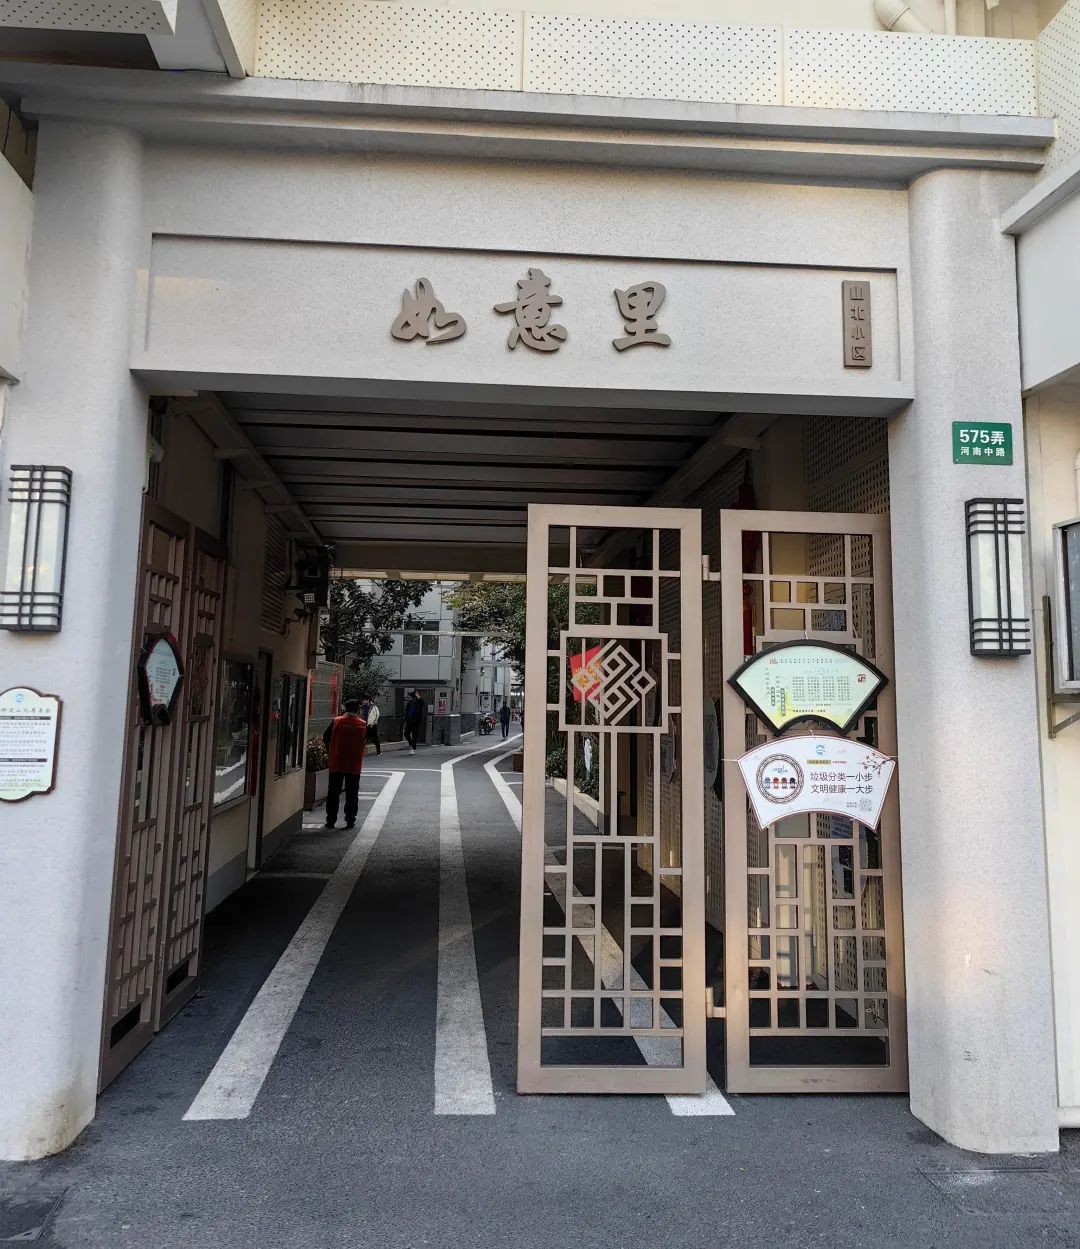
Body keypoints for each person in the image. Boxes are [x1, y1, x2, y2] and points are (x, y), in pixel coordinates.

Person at [322, 698, 368, 829]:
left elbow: (325, 737)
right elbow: (364, 740)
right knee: (352, 793)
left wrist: (331, 750)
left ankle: (331, 820)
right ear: (357, 710)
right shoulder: (362, 724)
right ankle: (350, 820)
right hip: (354, 763)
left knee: (333, 792)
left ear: (345, 709)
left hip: (337, 762)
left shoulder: (336, 721)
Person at [403, 689, 424, 754]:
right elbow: (406, 712)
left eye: (413, 697)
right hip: (409, 721)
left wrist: (418, 696)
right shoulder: (409, 703)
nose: (412, 698)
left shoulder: (418, 703)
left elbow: (422, 702)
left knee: (414, 735)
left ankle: (413, 748)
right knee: (406, 733)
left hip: (416, 722)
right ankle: (411, 743)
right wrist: (405, 721)